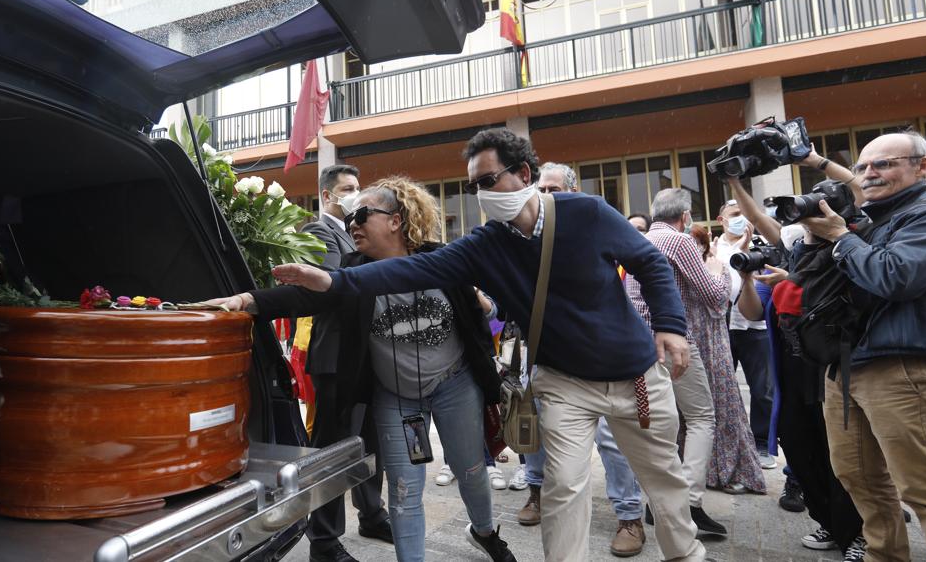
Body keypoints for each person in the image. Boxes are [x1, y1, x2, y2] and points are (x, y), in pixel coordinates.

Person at [272, 128, 707, 562]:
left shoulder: (587, 213)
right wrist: (331, 279)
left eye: (488, 180)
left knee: (664, 483)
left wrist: (669, 324)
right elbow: (409, 270)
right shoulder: (485, 244)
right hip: (562, 382)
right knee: (563, 489)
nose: (481, 194)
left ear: (522, 173)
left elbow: (649, 261)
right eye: (473, 186)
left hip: (634, 376)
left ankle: (685, 554)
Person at [204, 177, 517, 562]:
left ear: (396, 221)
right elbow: (305, 294)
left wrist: (488, 306)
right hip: (398, 398)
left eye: (362, 215)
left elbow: (501, 296)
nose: (352, 223)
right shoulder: (352, 271)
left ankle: (484, 531)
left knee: (470, 471)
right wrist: (245, 300)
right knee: (404, 490)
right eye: (349, 216)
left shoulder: (443, 261)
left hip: (455, 385)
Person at [799, 131, 926, 561]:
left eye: (884, 164)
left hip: (904, 366)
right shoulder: (864, 217)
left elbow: (895, 277)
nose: (870, 174)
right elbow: (808, 283)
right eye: (863, 167)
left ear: (922, 167)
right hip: (845, 365)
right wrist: (816, 239)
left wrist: (842, 237)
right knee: (858, 478)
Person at [725, 153, 866, 559]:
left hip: (836, 369)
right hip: (792, 373)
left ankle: (857, 532)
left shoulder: (853, 244)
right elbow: (751, 312)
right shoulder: (790, 252)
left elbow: (857, 186)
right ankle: (830, 524)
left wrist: (813, 160)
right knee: (803, 455)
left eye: (820, 203)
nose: (807, 211)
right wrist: (734, 183)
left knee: (845, 458)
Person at [628, 190, 764, 516]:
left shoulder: (641, 240)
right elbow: (714, 298)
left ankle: (657, 501)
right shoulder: (680, 241)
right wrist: (717, 270)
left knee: (663, 426)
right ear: (686, 216)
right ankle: (688, 502)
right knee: (701, 418)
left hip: (640, 345)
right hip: (675, 342)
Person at [538, 163, 645, 556]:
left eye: (554, 189)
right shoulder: (531, 234)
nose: (547, 197)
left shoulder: (595, 223)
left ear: (573, 190)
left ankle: (630, 517)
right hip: (554, 361)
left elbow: (642, 270)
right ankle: (536, 494)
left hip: (605, 359)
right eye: (541, 189)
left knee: (613, 442)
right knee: (547, 446)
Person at [298, 164, 391, 561]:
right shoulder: (319, 232)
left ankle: (372, 513)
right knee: (333, 448)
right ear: (327, 196)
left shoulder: (355, 232)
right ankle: (323, 538)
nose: (355, 195)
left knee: (372, 440)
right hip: (335, 356)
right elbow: (337, 282)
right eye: (348, 189)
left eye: (358, 188)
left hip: (367, 353)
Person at [712, 200, 776, 469]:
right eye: (735, 215)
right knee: (722, 389)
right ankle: (727, 444)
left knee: (762, 390)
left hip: (756, 328)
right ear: (721, 219)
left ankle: (761, 442)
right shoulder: (714, 248)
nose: (740, 219)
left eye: (744, 215)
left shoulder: (762, 244)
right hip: (723, 326)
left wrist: (751, 249)